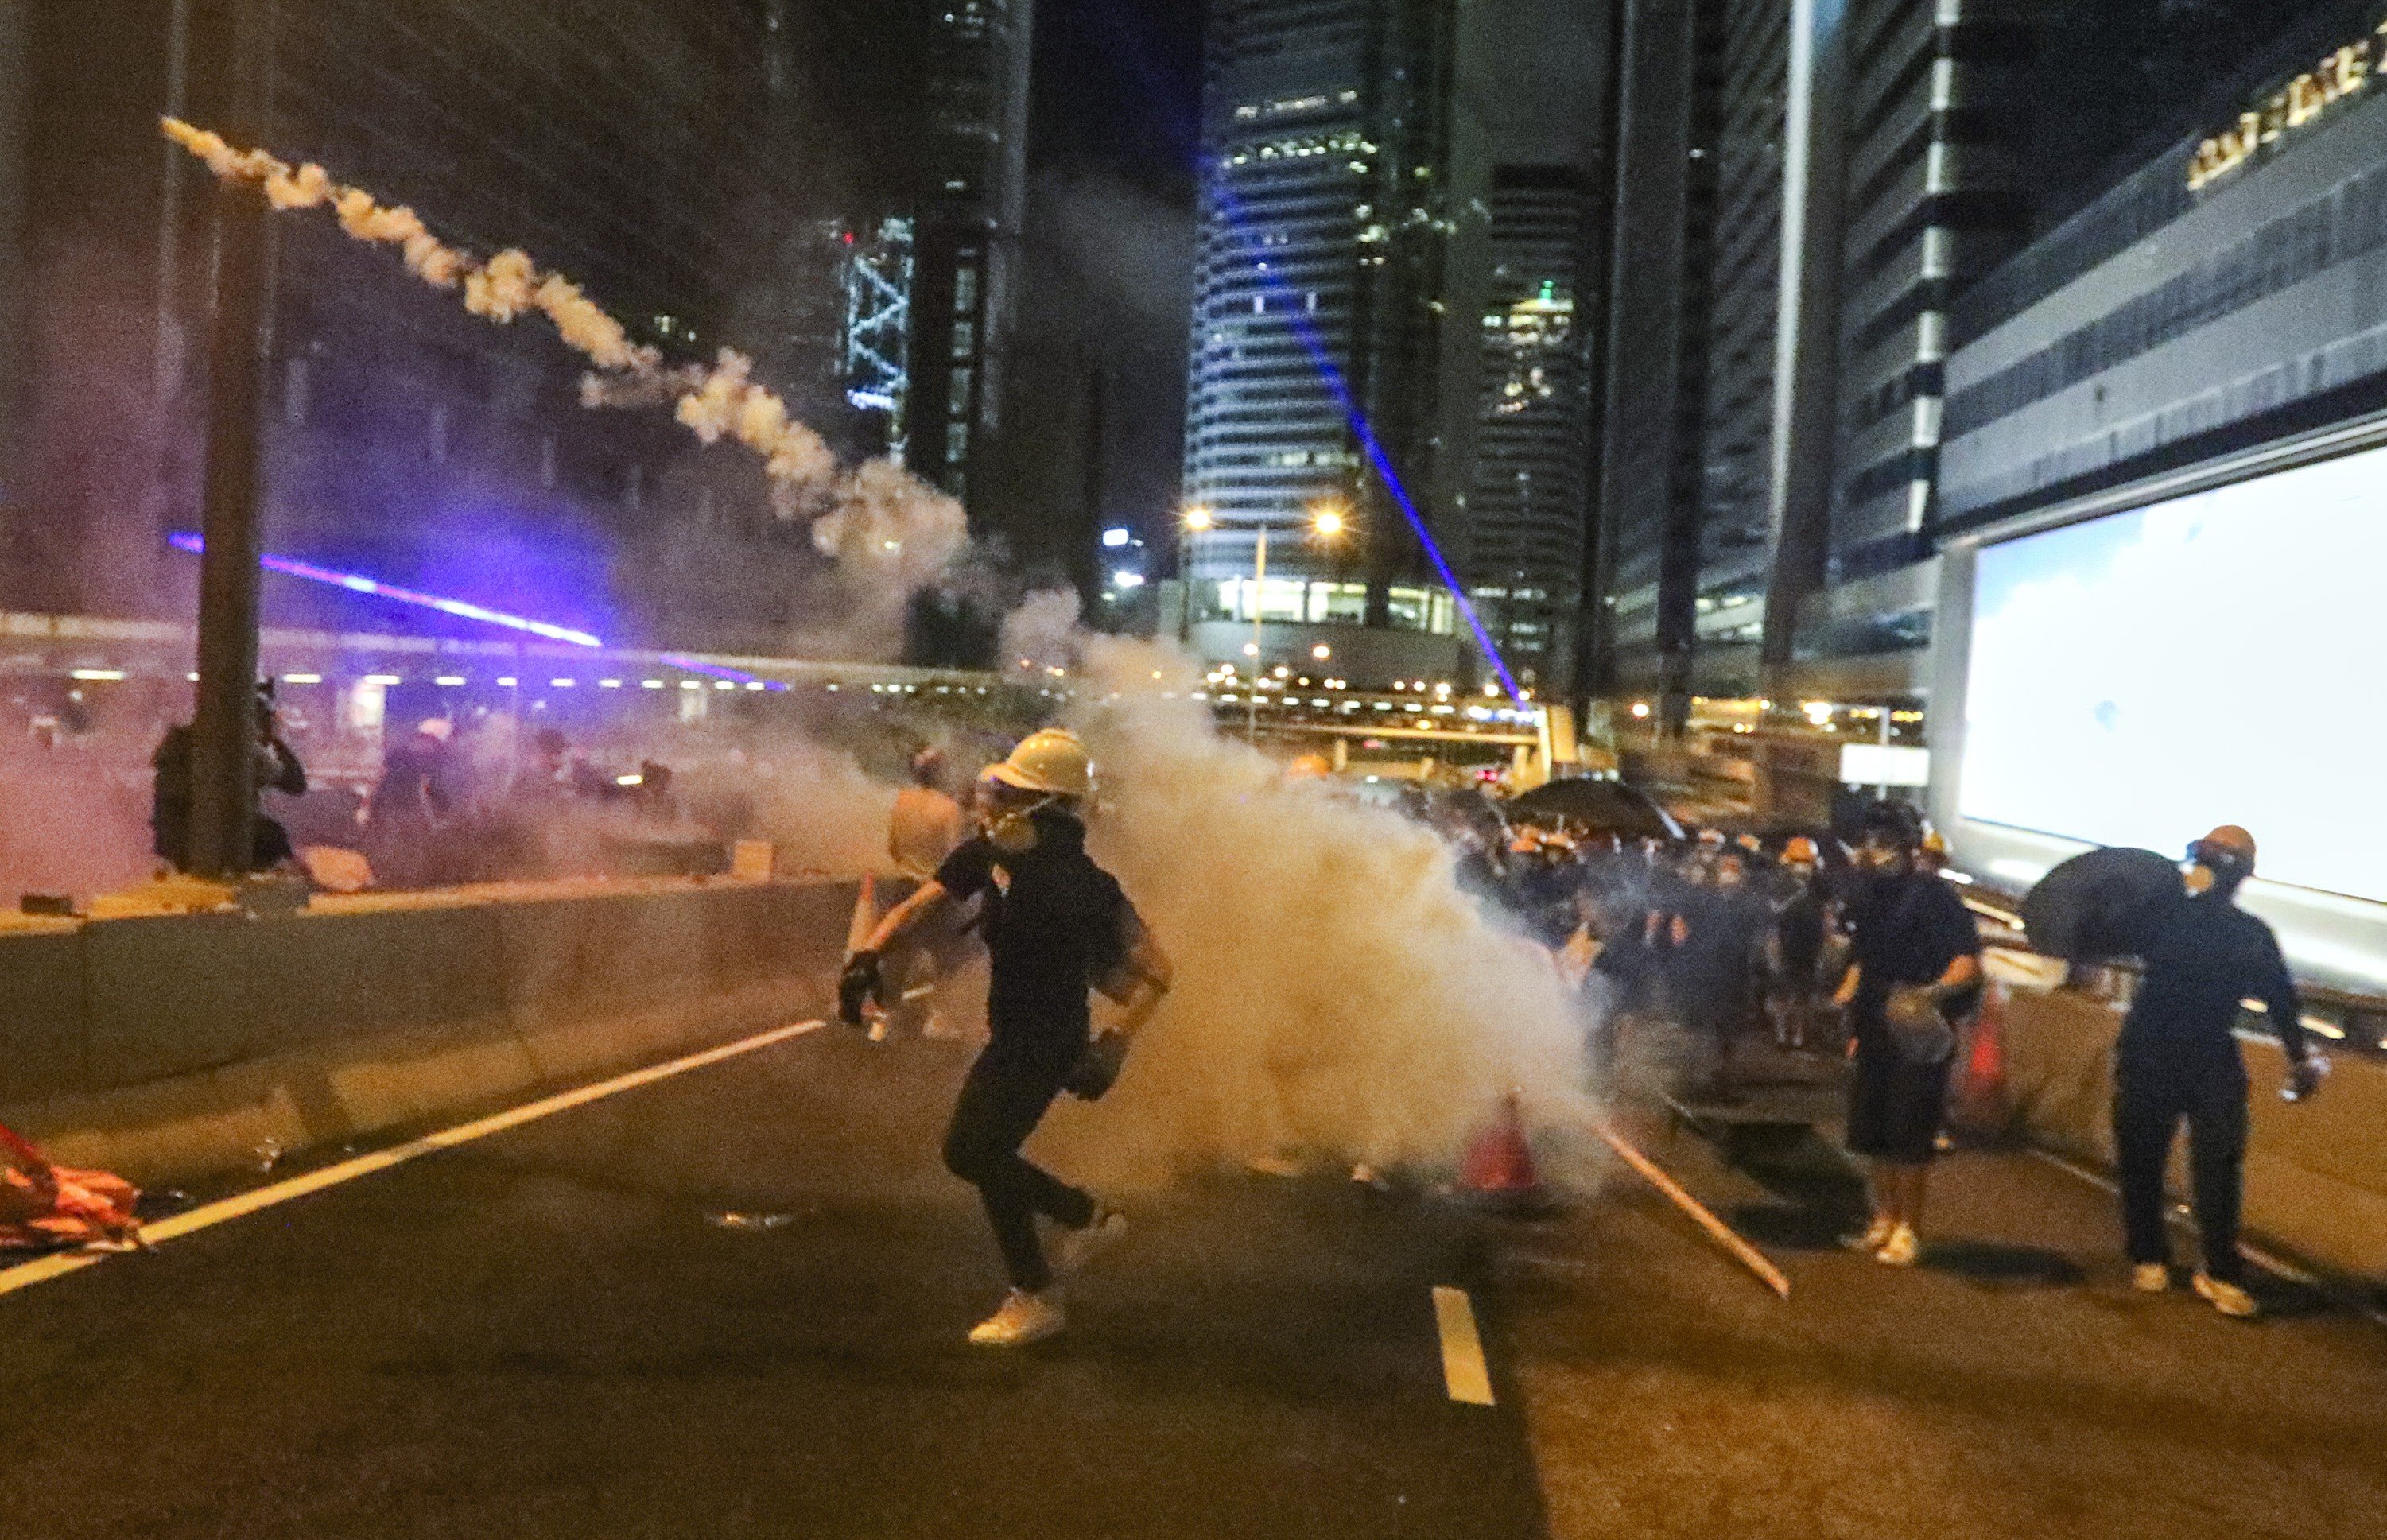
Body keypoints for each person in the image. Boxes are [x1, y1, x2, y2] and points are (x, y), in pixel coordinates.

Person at [840, 729, 1173, 1347]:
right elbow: (919, 907)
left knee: (975, 1152)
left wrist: (1114, 1045)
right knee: (985, 1153)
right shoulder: (988, 856)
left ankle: (1048, 1277)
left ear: (1044, 807)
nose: (991, 801)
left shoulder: (1087, 888)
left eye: (1011, 791)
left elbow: (1157, 971)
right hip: (1012, 1032)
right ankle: (1076, 1233)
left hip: (1048, 1040)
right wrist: (867, 956)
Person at [2112, 825, 2324, 1318]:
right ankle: (2219, 1269)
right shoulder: (2251, 932)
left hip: (2151, 1045)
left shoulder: (2162, 917)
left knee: (2143, 1155)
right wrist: (2299, 1059)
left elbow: (2113, 938)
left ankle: (2150, 1255)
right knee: (2217, 1167)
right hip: (2210, 1054)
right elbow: (2282, 1003)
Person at [1833, 804, 1981, 1267]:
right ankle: (1882, 1218)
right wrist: (1848, 1008)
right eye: (1868, 842)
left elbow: (1967, 963)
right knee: (1872, 1127)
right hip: (1876, 1024)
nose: (1872, 852)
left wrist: (1929, 995)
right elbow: (1862, 960)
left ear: (1905, 846)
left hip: (1917, 1030)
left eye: (1883, 842)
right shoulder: (1871, 899)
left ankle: (1909, 1229)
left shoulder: (1934, 897)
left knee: (1910, 1130)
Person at [1765, 836, 1832, 1052]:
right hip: (1785, 941)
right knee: (1783, 990)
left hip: (1811, 943)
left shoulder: (1820, 885)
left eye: (1807, 862)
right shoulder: (1780, 883)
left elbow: (1830, 909)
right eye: (1798, 861)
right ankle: (1782, 1035)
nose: (1803, 867)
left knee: (1806, 992)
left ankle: (1800, 1036)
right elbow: (1773, 911)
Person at [887, 747, 967, 879]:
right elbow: (953, 860)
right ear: (940, 774)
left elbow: (893, 849)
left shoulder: (901, 799)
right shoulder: (949, 808)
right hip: (931, 886)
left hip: (903, 878)